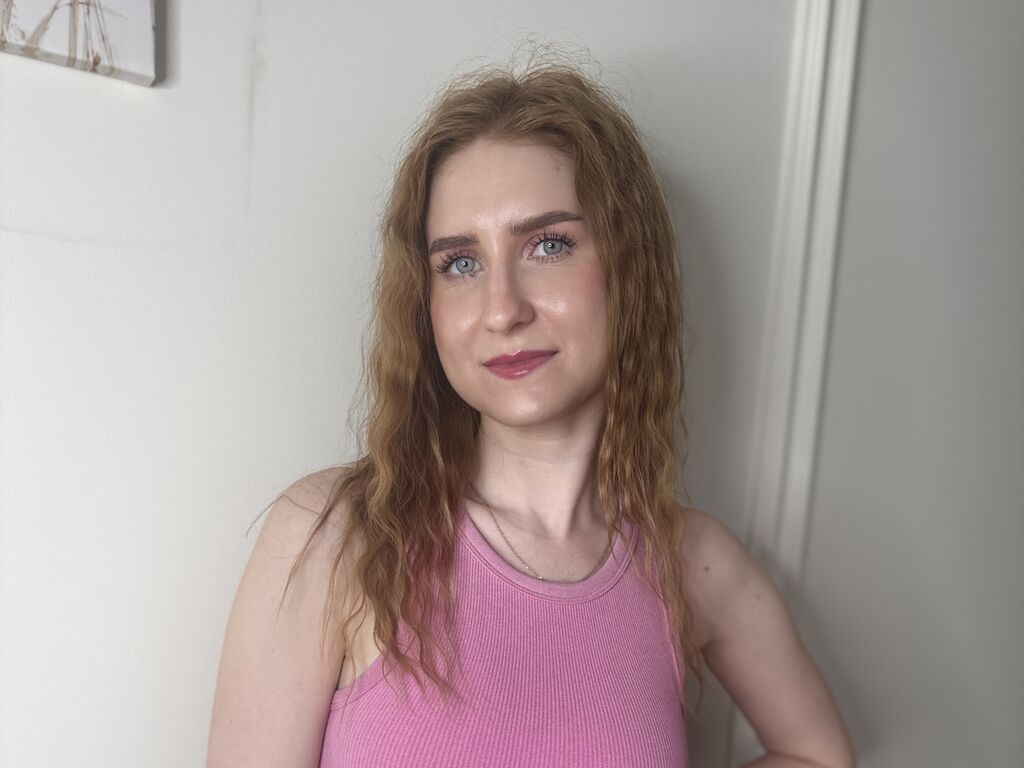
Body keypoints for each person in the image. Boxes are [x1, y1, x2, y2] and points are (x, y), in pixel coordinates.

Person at [206, 56, 854, 768]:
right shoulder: (333, 537)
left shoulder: (693, 565)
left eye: (548, 245)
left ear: (628, 269)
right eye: (460, 263)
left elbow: (817, 754)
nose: (502, 310)